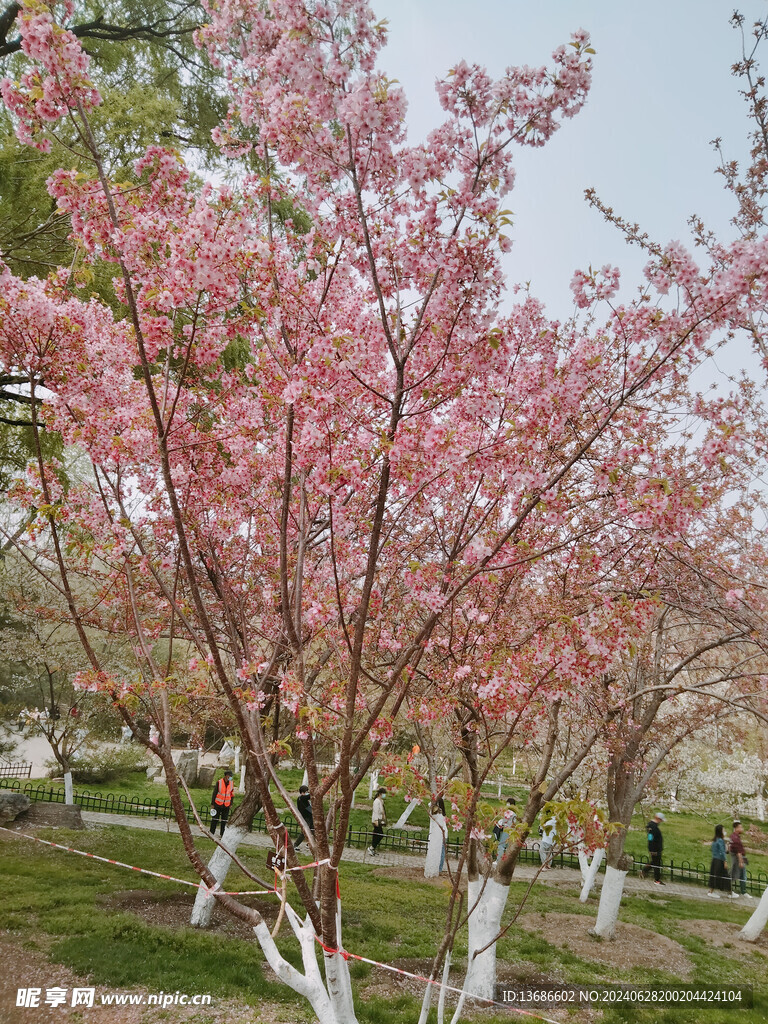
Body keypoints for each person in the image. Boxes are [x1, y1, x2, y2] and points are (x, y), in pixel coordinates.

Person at [729, 820, 752, 898]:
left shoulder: (733, 836)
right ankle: (730, 891)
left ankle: (743, 891)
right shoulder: (735, 838)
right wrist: (741, 862)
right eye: (741, 827)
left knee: (741, 875)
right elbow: (738, 852)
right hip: (738, 859)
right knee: (735, 875)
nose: (742, 829)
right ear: (736, 828)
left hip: (738, 858)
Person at [707, 824, 732, 898]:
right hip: (720, 861)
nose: (724, 831)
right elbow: (722, 852)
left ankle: (712, 890)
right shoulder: (720, 840)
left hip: (714, 860)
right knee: (724, 876)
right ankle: (729, 892)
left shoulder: (715, 840)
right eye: (723, 830)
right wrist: (725, 861)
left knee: (715, 875)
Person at [210, 769, 235, 836]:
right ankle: (211, 833)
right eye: (230, 776)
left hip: (226, 805)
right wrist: (212, 804)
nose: (231, 777)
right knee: (215, 819)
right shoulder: (219, 782)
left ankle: (222, 834)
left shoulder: (231, 783)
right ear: (226, 776)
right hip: (218, 804)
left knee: (224, 821)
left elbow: (232, 794)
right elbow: (215, 793)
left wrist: (231, 803)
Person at [368, 787, 387, 855]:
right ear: (380, 794)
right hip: (376, 820)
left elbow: (382, 811)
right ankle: (371, 847)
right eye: (383, 794)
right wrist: (376, 820)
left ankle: (373, 848)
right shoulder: (376, 801)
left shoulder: (381, 801)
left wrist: (384, 818)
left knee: (377, 834)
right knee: (379, 834)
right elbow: (376, 811)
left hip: (380, 819)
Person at [294, 785, 314, 849]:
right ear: (303, 792)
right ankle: (295, 845)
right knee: (304, 832)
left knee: (313, 831)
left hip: (309, 817)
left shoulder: (302, 798)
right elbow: (309, 796)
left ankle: (309, 844)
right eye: (306, 791)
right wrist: (313, 791)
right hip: (306, 818)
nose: (307, 792)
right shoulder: (301, 798)